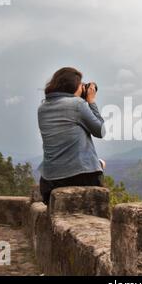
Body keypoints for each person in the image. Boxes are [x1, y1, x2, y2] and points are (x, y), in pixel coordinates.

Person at [37, 67, 106, 205]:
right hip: (78, 178)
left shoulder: (42, 108)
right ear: (74, 86)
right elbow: (100, 131)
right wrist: (91, 101)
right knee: (100, 164)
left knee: (99, 163)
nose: (83, 88)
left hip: (49, 181)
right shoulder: (77, 104)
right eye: (81, 85)